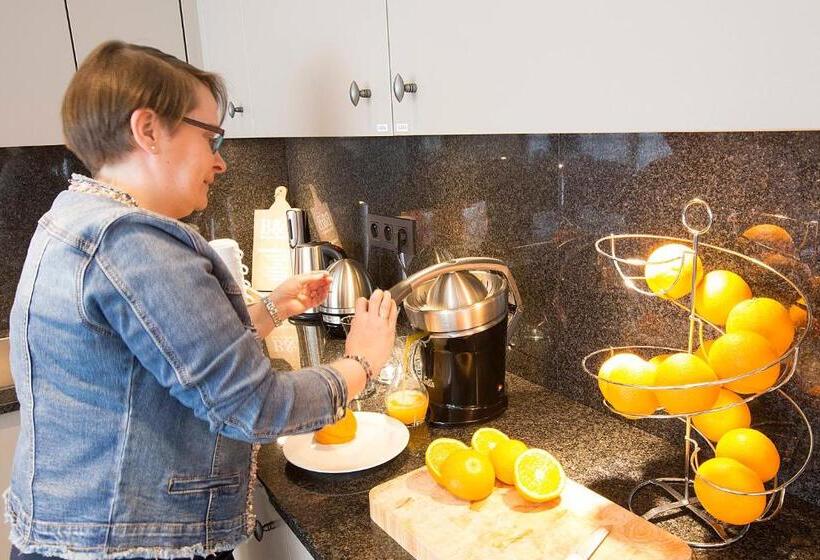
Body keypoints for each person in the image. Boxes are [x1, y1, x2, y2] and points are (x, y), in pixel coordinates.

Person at [4, 41, 397, 560]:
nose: (221, 161)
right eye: (211, 137)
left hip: (80, 533)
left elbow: (161, 353)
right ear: (148, 130)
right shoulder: (134, 244)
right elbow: (253, 407)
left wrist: (272, 309)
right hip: (130, 546)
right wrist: (361, 363)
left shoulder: (72, 218)